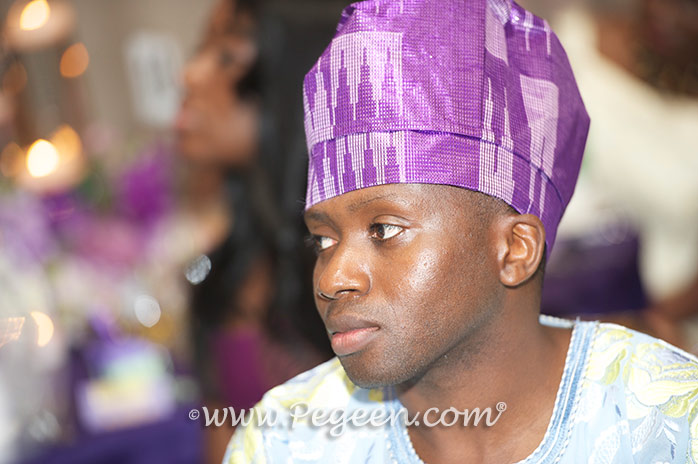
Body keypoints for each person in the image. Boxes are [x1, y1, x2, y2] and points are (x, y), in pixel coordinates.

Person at [224, 0, 698, 462]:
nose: (331, 279)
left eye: (384, 229)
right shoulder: (287, 440)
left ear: (514, 249)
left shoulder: (668, 423)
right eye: (323, 240)